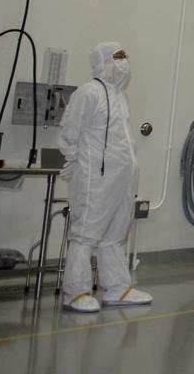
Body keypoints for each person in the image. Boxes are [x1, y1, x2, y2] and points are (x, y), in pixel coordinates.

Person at [58, 42, 153, 312]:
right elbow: (70, 133)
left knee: (114, 232)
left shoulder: (119, 96)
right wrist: (76, 161)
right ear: (103, 62)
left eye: (126, 56)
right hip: (95, 178)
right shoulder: (88, 93)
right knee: (87, 232)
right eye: (118, 57)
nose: (124, 62)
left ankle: (117, 288)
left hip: (122, 178)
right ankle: (76, 292)